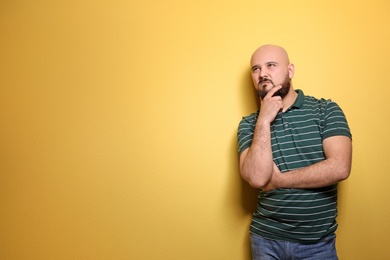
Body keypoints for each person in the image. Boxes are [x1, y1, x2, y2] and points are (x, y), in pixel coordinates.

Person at [237, 44, 352, 260]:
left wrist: (280, 180)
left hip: (318, 244)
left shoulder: (325, 110)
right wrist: (264, 119)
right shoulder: (249, 124)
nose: (263, 73)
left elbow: (340, 167)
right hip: (265, 240)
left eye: (271, 65)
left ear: (290, 71)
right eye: (256, 68)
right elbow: (258, 177)